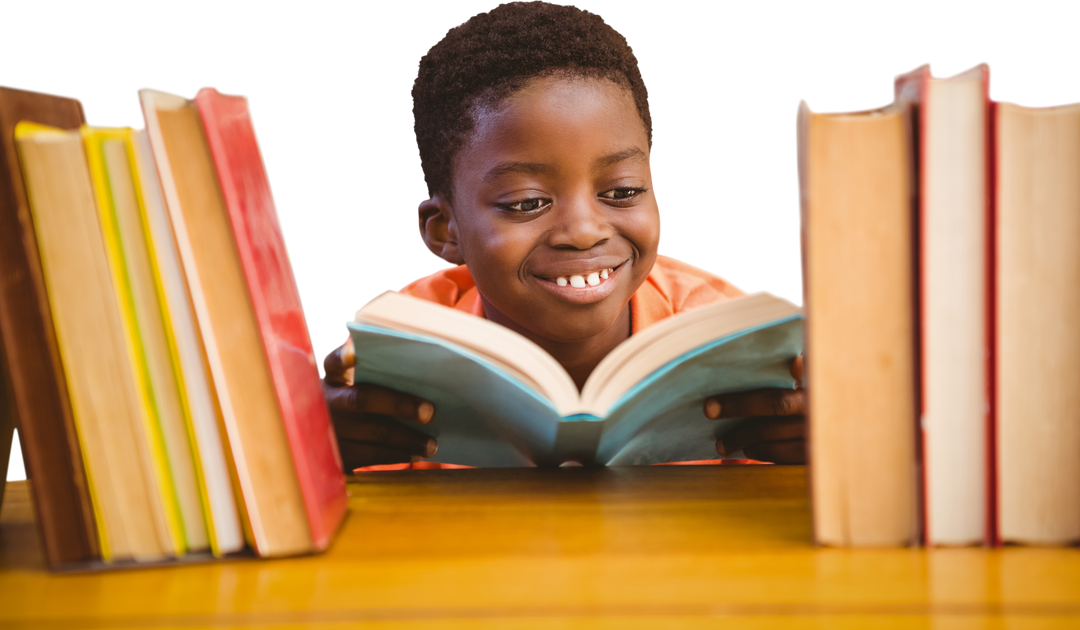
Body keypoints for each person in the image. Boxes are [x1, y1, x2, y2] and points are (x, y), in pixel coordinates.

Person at [321, 0, 804, 470]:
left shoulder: (728, 332)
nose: (583, 232)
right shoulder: (401, 354)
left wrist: (830, 438)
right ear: (445, 230)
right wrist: (309, 447)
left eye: (622, 190)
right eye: (527, 202)